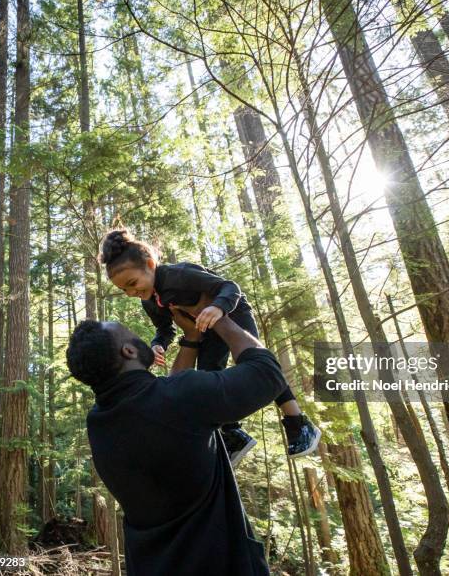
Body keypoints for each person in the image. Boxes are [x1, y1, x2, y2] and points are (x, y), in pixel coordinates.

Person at [66, 298, 286, 575]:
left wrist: (191, 340)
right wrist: (218, 317)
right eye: (130, 332)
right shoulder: (178, 398)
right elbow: (268, 374)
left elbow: (169, 405)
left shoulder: (100, 423)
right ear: (129, 350)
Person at [97, 228, 321, 465]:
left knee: (256, 363)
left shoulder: (179, 274)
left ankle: (298, 423)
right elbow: (166, 329)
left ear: (151, 264)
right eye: (124, 290)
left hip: (233, 313)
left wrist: (218, 307)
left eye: (133, 283)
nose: (132, 292)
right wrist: (158, 345)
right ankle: (232, 434)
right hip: (205, 329)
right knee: (207, 374)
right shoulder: (150, 302)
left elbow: (230, 287)